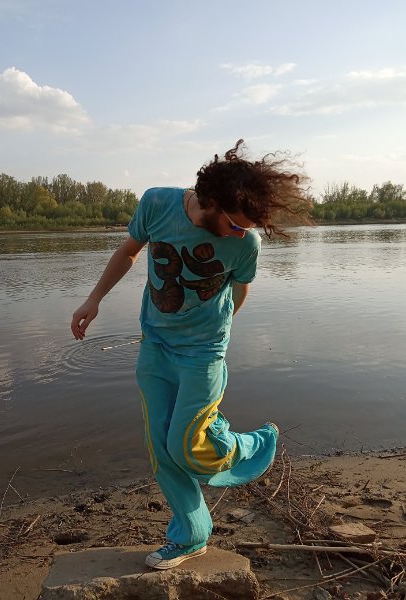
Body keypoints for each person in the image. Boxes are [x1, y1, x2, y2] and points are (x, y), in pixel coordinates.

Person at [71, 139, 308, 570]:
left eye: (246, 229)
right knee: (161, 449)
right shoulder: (156, 204)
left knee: (187, 447)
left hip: (203, 353)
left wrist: (217, 332)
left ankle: (250, 443)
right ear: (211, 201)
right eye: (234, 226)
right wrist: (94, 300)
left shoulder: (246, 244)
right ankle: (191, 535)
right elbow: (128, 252)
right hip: (156, 346)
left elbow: (240, 290)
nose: (241, 235)